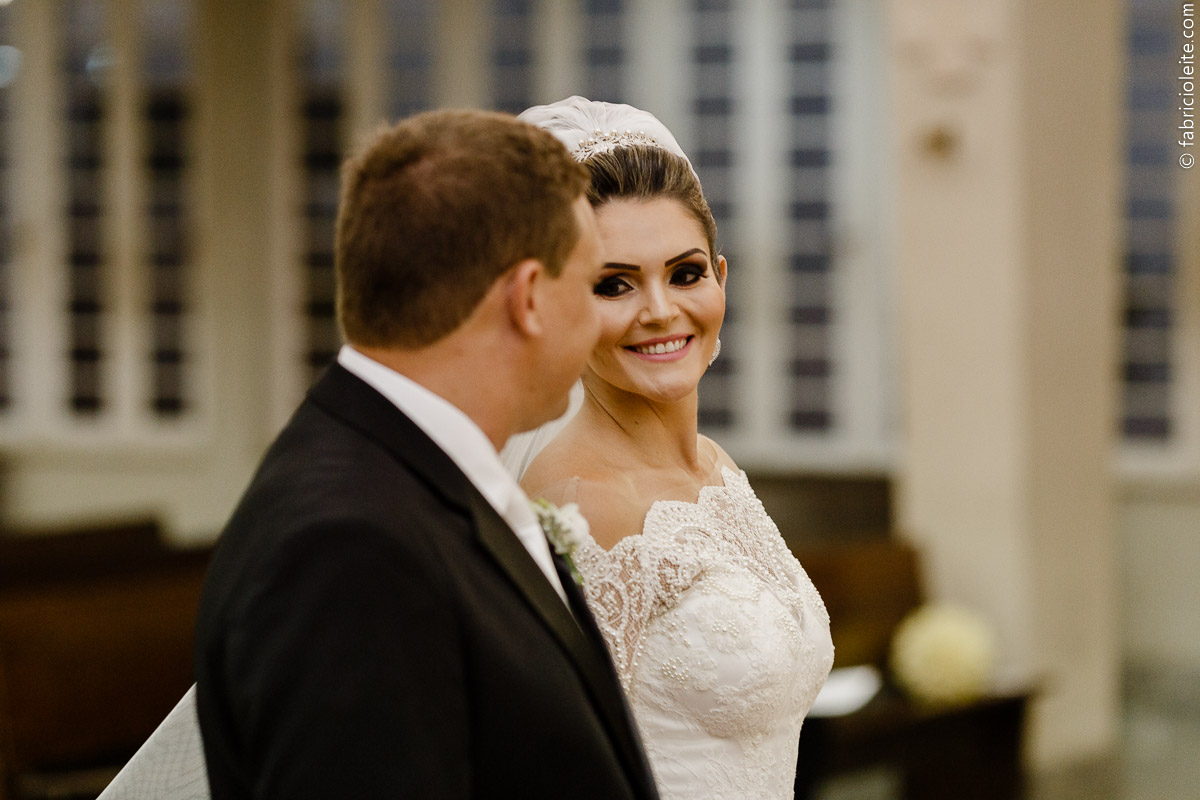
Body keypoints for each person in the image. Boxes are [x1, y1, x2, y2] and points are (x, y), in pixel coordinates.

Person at [190, 109, 660, 800]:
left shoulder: (406, 479)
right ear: (529, 298)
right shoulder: (348, 547)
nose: (600, 322)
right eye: (592, 286)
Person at [509, 96, 835, 800]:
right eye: (614, 285)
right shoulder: (578, 508)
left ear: (721, 278)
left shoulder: (717, 468)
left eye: (685, 273)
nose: (660, 310)